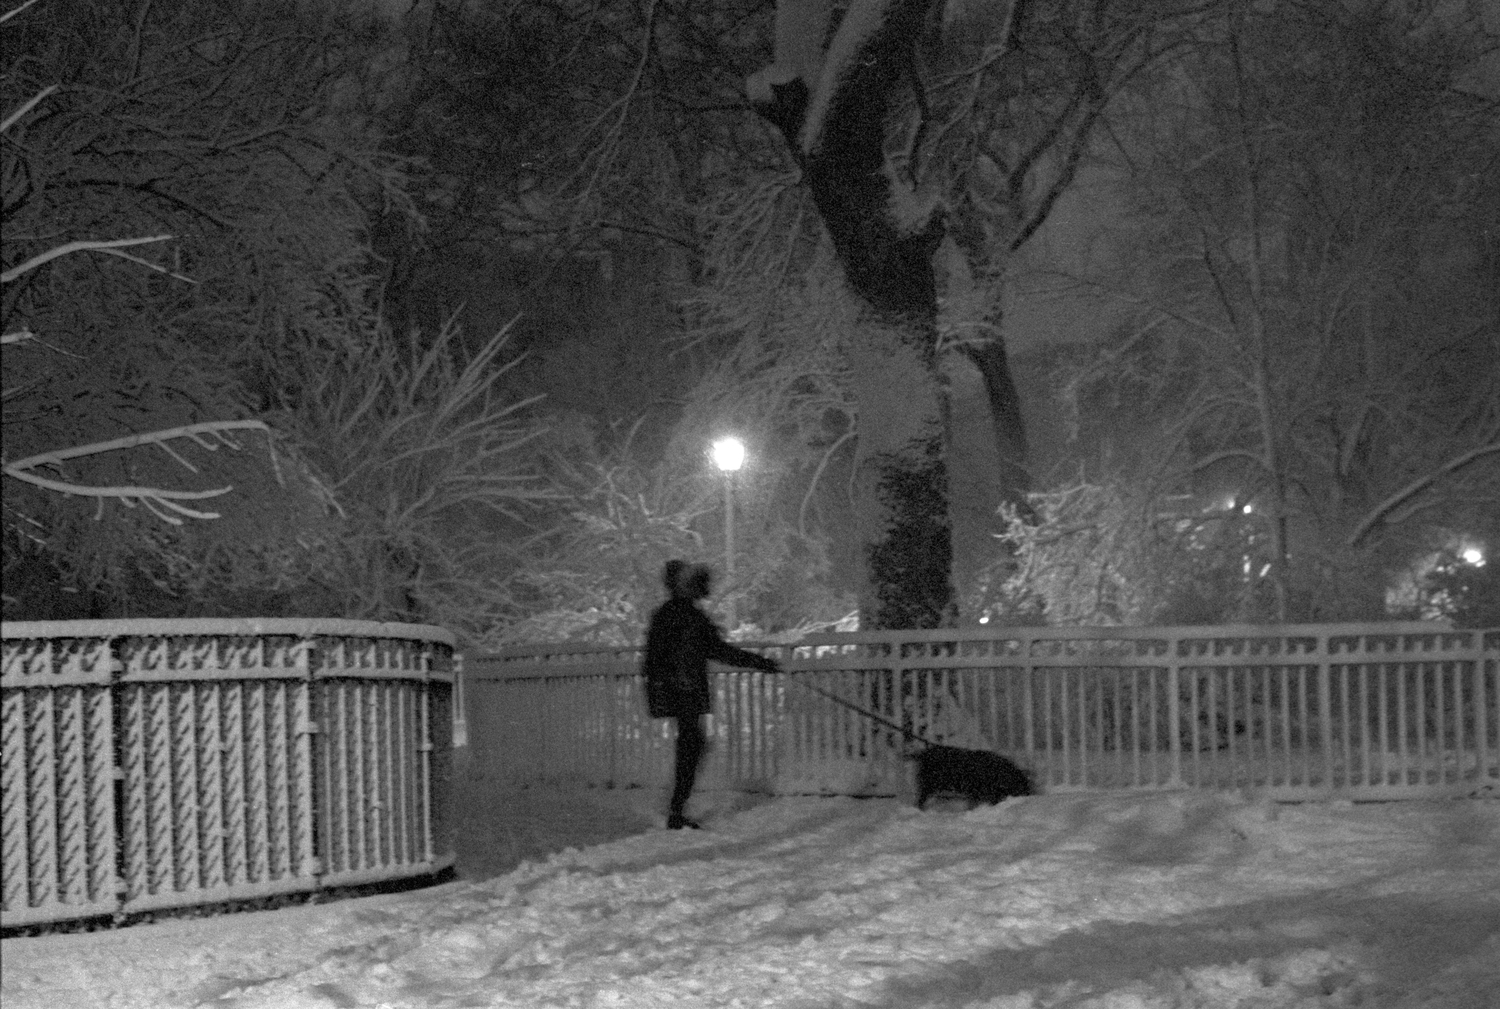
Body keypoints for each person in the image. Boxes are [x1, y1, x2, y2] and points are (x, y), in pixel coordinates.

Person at [642, 559, 780, 829]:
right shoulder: (688, 617)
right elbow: (717, 650)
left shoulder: (672, 615)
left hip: (682, 690)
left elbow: (654, 660)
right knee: (692, 745)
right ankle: (676, 811)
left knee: (692, 745)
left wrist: (759, 663)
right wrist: (759, 663)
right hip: (684, 691)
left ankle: (676, 809)